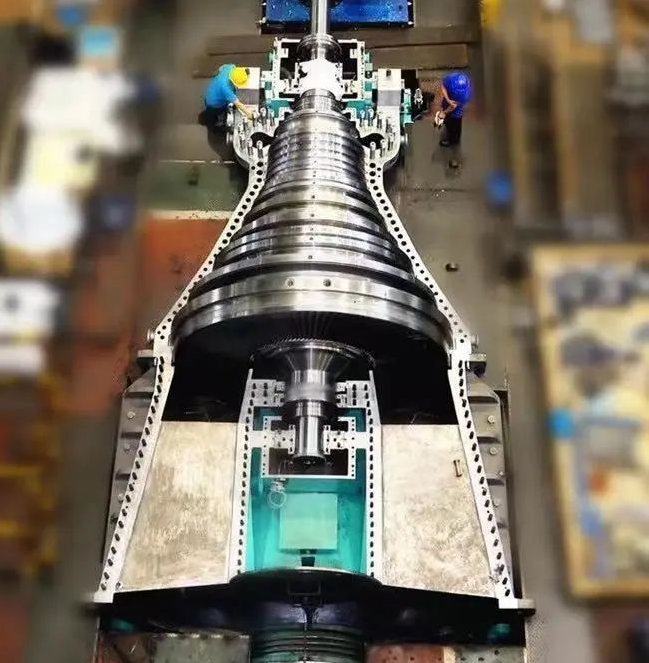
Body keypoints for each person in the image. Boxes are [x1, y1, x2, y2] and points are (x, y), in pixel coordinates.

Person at [437, 72, 472, 169]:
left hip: (456, 114)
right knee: (448, 124)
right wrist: (448, 100)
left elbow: (453, 107)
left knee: (455, 133)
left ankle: (455, 154)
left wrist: (443, 112)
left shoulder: (464, 95)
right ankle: (450, 137)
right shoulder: (451, 79)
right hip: (447, 105)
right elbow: (443, 87)